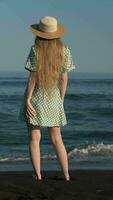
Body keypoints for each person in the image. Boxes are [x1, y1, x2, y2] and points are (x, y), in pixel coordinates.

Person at [18, 16, 76, 181]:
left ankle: (38, 175)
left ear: (39, 33)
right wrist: (61, 99)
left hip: (36, 96)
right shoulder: (64, 51)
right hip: (53, 98)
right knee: (57, 138)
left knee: (34, 137)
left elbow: (33, 77)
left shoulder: (36, 49)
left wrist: (28, 99)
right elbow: (64, 78)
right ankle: (66, 175)